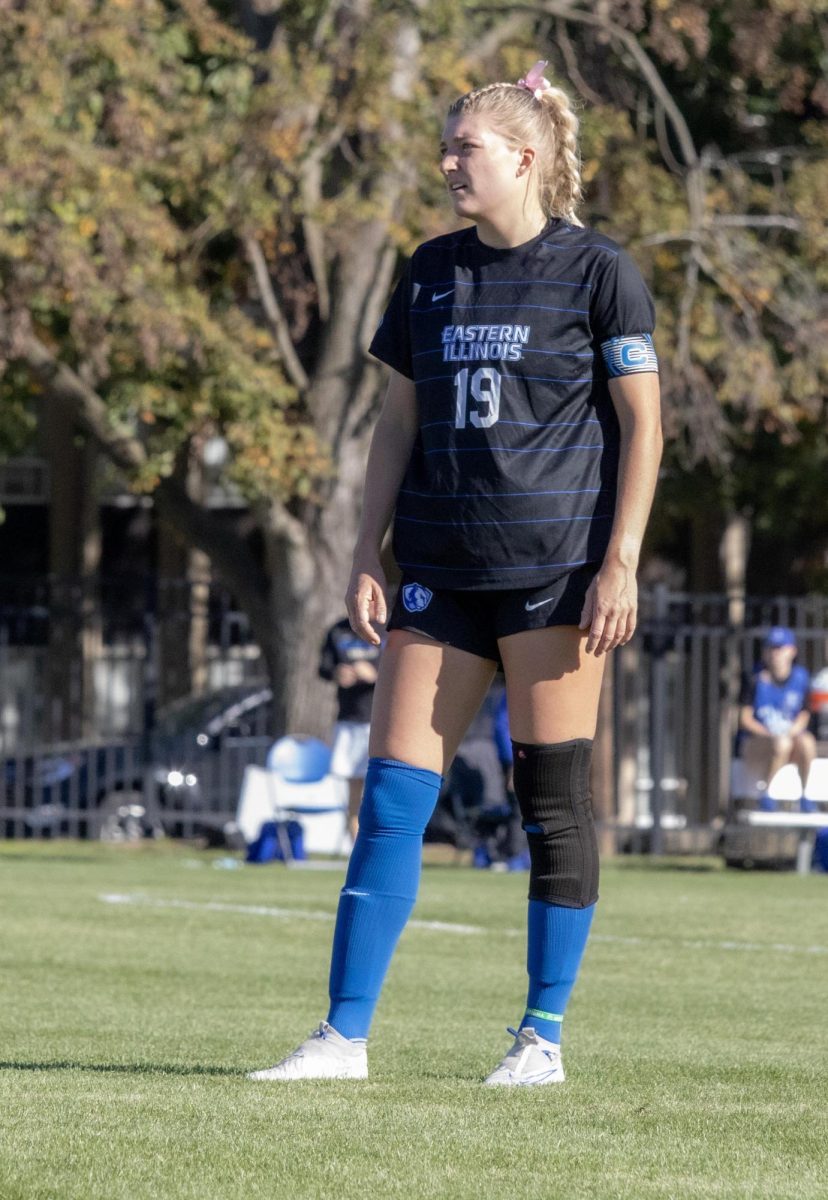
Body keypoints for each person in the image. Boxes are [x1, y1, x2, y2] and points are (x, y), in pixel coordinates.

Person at [250, 59, 662, 1086]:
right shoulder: (429, 270)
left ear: (524, 157)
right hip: (438, 568)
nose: (447, 164)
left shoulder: (598, 272)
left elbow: (644, 427)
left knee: (550, 804)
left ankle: (541, 1039)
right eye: (446, 147)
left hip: (557, 575)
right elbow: (396, 423)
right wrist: (360, 548)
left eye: (463, 149)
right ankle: (341, 1039)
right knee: (391, 800)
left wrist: (621, 563)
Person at [318, 616, 382, 843]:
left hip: (380, 719)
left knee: (380, 786)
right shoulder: (338, 630)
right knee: (354, 791)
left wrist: (375, 674)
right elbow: (324, 668)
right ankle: (357, 846)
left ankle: (380, 842)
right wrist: (338, 673)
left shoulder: (388, 627)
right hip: (350, 720)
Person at [738, 627, 816, 809]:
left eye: (780, 648)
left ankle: (805, 796)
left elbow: (804, 714)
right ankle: (767, 795)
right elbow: (744, 719)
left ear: (792, 651)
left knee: (807, 742)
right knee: (782, 743)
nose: (775, 653)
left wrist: (791, 731)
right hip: (759, 743)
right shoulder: (754, 679)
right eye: (771, 648)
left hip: (788, 741)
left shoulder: (801, 678)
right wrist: (771, 734)